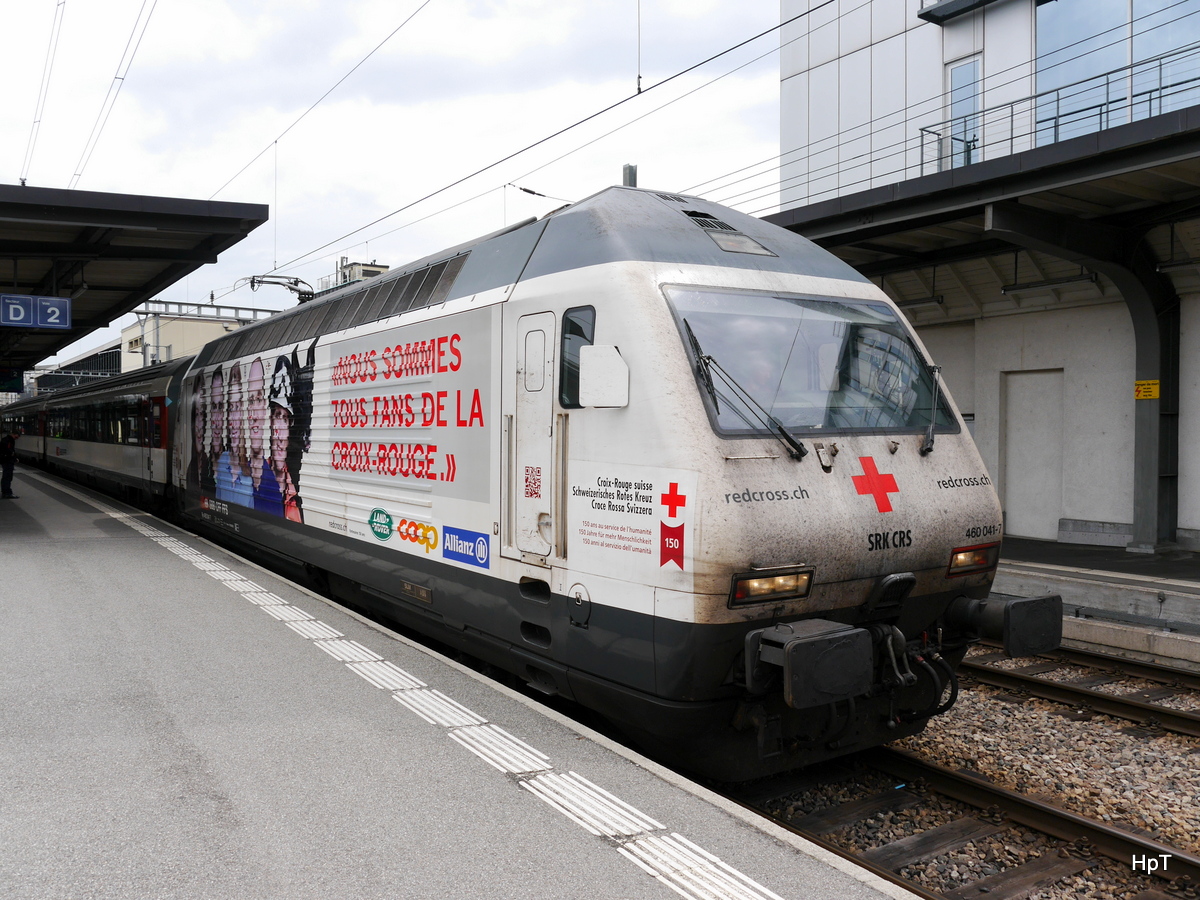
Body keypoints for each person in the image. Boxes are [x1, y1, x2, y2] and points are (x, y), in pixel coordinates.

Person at [246, 357, 283, 516]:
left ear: (266, 410)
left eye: (259, 399)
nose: (253, 415)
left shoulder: (275, 483)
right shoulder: (229, 465)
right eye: (250, 401)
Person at [0, 424, 18, 499]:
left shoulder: (6, 440)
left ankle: (5, 492)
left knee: (6, 477)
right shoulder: (8, 441)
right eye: (17, 436)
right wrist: (13, 456)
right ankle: (7, 492)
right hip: (7, 461)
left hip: (5, 460)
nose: (17, 438)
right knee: (7, 476)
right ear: (13, 434)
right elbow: (9, 451)